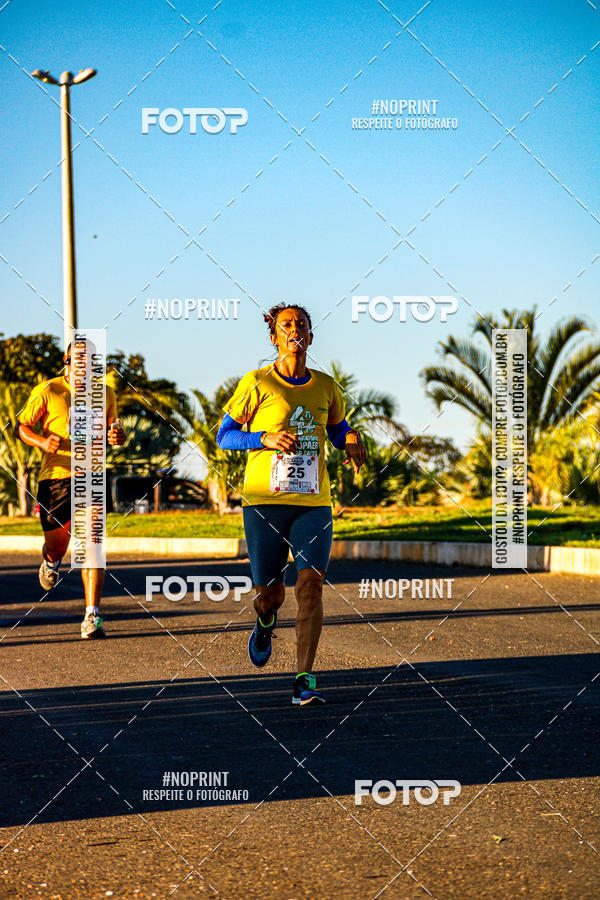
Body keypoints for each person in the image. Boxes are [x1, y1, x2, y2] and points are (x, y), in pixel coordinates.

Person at [217, 304, 367, 705]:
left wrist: (349, 440)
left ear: (311, 337)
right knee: (271, 595)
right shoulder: (257, 382)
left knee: (311, 584)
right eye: (286, 325)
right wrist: (262, 438)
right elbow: (224, 436)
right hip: (265, 503)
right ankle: (265, 622)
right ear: (274, 337)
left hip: (314, 503)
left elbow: (337, 430)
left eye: (302, 323)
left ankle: (305, 679)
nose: (295, 329)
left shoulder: (326, 386)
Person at [16, 340, 125, 639]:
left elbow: (114, 432)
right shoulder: (49, 391)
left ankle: (92, 616)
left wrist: (117, 435)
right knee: (57, 545)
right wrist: (41, 441)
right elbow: (21, 427)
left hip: (92, 475)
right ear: (66, 361)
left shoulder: (106, 394)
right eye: (78, 359)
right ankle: (51, 561)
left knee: (93, 544)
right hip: (55, 478)